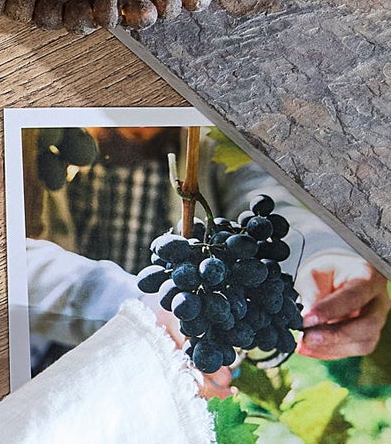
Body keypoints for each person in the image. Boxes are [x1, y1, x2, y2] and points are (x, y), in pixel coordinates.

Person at [25, 127, 389, 370]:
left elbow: (270, 204)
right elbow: (13, 266)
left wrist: (324, 256)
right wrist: (132, 310)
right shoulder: (36, 148)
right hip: (41, 366)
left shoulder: (215, 140)